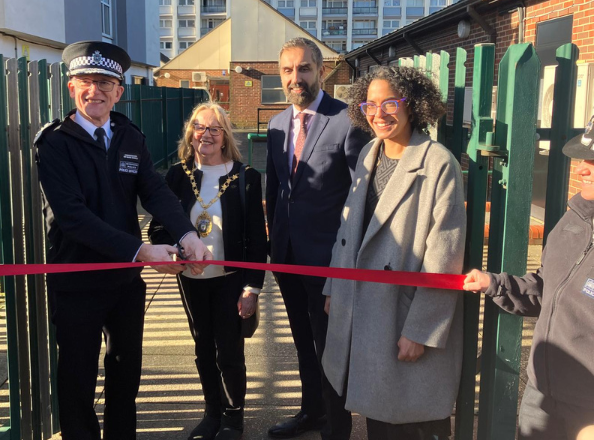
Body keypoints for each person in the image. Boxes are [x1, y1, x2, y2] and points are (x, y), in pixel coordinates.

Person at [35, 41, 211, 440]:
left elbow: (154, 190)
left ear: (119, 91)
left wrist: (187, 234)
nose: (94, 91)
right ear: (70, 86)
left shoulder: (129, 135)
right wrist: (141, 250)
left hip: (125, 284)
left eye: (104, 83)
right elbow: (73, 217)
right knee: (77, 379)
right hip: (77, 281)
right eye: (85, 81)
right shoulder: (54, 143)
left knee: (125, 374)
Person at [322, 66, 465, 440]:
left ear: (412, 104)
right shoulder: (369, 151)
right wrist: (332, 288)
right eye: (370, 104)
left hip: (402, 315)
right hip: (364, 306)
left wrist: (421, 329)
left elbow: (444, 254)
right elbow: (347, 228)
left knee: (408, 418)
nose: (379, 113)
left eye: (390, 102)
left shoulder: (438, 163)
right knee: (378, 415)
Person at [463, 113, 594, 440]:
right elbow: (546, 288)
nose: (581, 170)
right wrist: (493, 283)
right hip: (542, 390)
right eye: (583, 160)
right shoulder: (574, 221)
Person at [265, 37, 370, 440]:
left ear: (321, 70)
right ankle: (312, 411)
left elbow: (360, 197)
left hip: (329, 261)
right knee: (302, 342)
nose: (296, 78)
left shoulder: (347, 120)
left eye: (304, 69)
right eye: (288, 71)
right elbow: (276, 192)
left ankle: (336, 428)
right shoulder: (276, 126)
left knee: (330, 346)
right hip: (288, 258)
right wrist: (274, 247)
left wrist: (347, 262)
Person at [148, 102, 267, 440]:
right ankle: (211, 413)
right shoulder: (177, 175)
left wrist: (252, 288)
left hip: (230, 282)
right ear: (191, 133)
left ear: (225, 135)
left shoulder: (246, 177)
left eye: (215, 129)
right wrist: (173, 255)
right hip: (192, 280)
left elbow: (258, 239)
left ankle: (233, 418)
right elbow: (158, 229)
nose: (207, 135)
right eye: (200, 127)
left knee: (229, 351)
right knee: (203, 349)